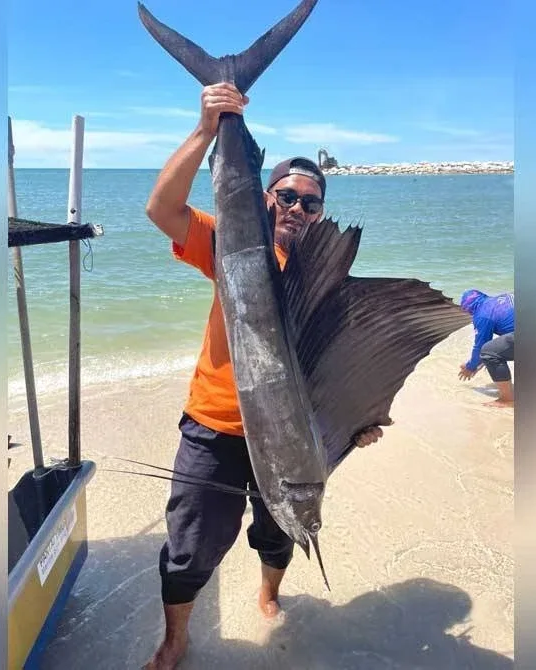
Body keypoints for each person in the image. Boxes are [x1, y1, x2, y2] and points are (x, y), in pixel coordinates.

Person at [142, 82, 383, 670]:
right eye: (288, 196)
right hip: (215, 426)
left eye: (311, 203)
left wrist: (361, 421)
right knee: (190, 546)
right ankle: (175, 639)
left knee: (281, 534)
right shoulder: (232, 246)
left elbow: (342, 362)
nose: (298, 209)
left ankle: (269, 592)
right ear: (268, 199)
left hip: (294, 443)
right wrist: (206, 129)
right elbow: (161, 210)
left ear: (320, 212)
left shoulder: (324, 284)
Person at [457, 289, 515, 407]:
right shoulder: (501, 298)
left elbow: (481, 347)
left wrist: (471, 367)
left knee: (489, 352)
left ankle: (507, 400)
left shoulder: (482, 315)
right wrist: (480, 362)